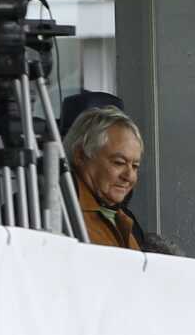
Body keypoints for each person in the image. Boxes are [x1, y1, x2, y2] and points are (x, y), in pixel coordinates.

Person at [64, 107, 156, 254]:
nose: (129, 176)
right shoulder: (58, 211)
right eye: (119, 163)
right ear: (80, 156)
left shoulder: (128, 221)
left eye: (135, 166)